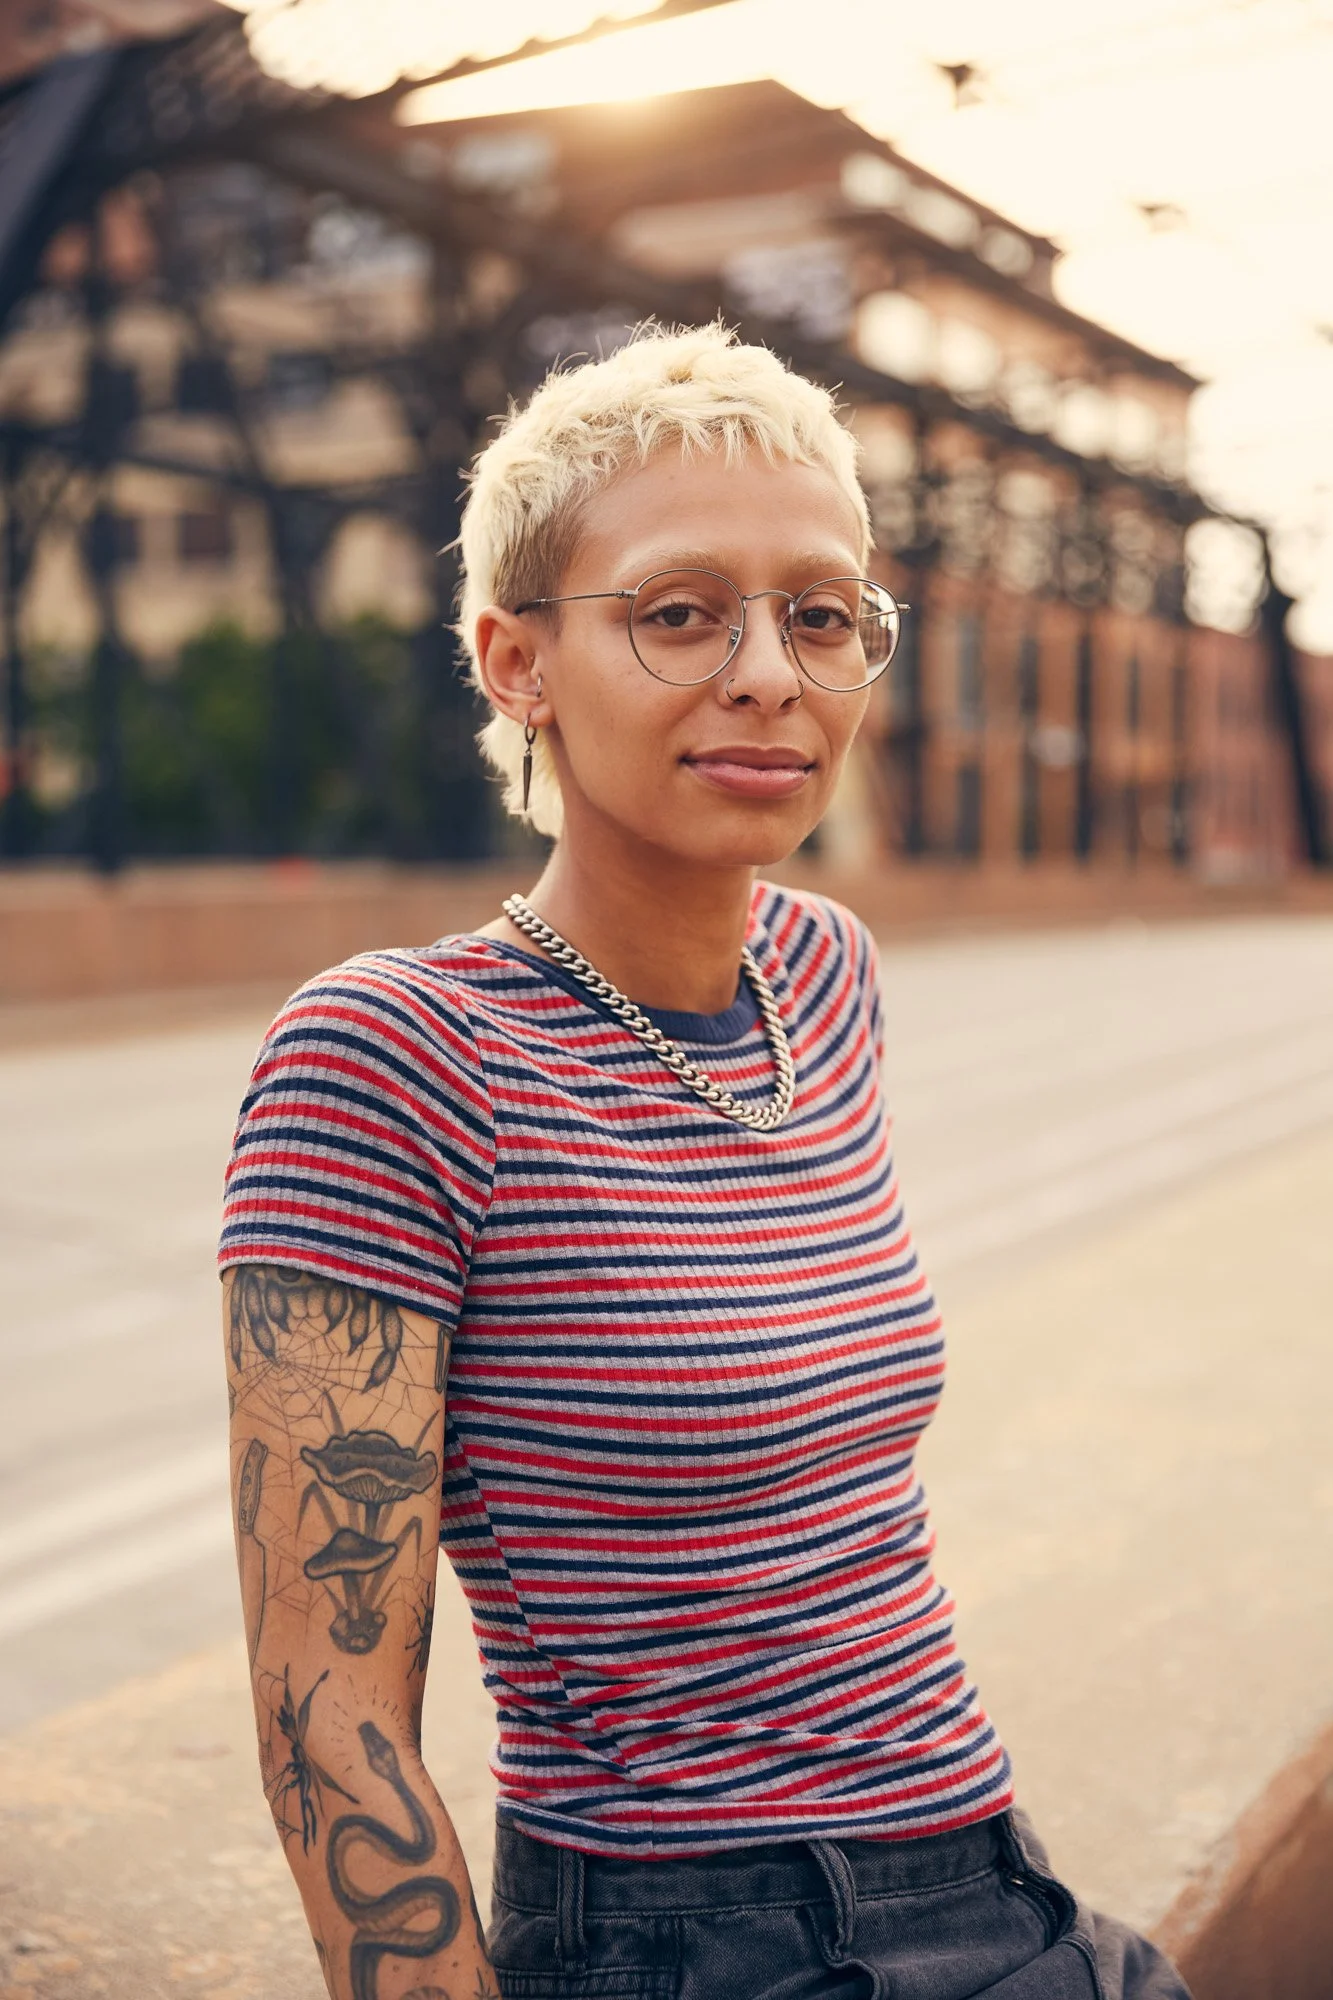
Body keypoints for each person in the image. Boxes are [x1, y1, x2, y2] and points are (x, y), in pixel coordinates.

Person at [220, 323, 1190, 2000]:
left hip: (996, 1878)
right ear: (515, 662)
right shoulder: (390, 1057)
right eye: (679, 613)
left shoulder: (826, 974)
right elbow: (332, 1739)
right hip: (701, 1940)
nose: (770, 673)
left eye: (821, 616)